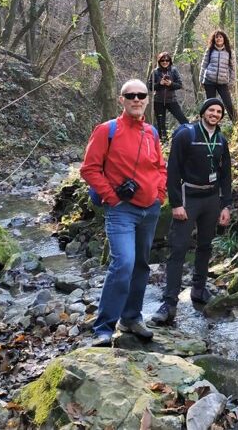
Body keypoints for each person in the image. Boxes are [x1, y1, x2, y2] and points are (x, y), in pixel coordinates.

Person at [80, 79, 166, 346]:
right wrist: (112, 197)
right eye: (131, 95)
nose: (136, 99)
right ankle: (104, 327)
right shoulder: (107, 130)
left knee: (141, 264)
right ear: (122, 100)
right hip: (121, 211)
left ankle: (130, 318)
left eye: (141, 95)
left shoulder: (151, 132)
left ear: (147, 100)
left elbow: (160, 167)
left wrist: (160, 195)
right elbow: (89, 169)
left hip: (149, 209)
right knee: (124, 263)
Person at [152, 98, 232, 325]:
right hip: (189, 198)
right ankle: (169, 303)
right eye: (211, 110)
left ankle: (198, 288)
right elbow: (173, 170)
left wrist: (226, 205)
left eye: (218, 111)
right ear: (203, 113)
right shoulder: (186, 135)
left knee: (205, 245)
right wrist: (176, 203)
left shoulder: (221, 140)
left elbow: (226, 174)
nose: (215, 114)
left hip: (211, 198)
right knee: (178, 249)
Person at [148, 52, 188, 143]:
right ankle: (163, 143)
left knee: (183, 119)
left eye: (167, 60)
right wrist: (160, 84)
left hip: (172, 100)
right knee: (161, 124)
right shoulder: (154, 72)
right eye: (162, 60)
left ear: (170, 61)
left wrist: (171, 84)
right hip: (158, 101)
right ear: (159, 61)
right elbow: (150, 87)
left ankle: (188, 136)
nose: (165, 62)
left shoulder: (173, 70)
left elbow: (179, 85)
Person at [199, 30, 238, 122]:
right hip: (209, 81)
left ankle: (236, 123)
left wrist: (232, 82)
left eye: (220, 37)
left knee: (228, 103)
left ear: (224, 39)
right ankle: (207, 123)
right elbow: (203, 65)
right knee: (209, 105)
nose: (218, 39)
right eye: (217, 37)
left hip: (223, 82)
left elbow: (233, 68)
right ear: (214, 39)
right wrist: (201, 79)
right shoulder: (210, 50)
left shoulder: (229, 52)